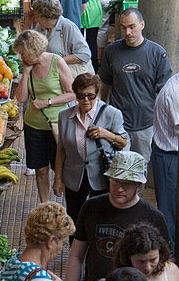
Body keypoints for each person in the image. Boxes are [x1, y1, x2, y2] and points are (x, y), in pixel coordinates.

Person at [65, 150, 170, 281]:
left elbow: (164, 264)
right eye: (115, 181)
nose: (119, 188)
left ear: (138, 185)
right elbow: (76, 255)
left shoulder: (153, 217)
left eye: (126, 184)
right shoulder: (91, 207)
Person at [54, 72, 128, 223]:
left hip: (101, 176)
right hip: (74, 177)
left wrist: (106, 134)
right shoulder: (64, 116)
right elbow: (61, 149)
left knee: (100, 218)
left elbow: (123, 142)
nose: (86, 100)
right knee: (74, 219)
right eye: (81, 96)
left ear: (97, 94)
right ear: (75, 95)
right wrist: (57, 178)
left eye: (91, 96)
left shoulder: (112, 114)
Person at [100, 8, 172, 163]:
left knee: (140, 168)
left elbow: (164, 94)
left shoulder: (157, 53)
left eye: (132, 27)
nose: (127, 32)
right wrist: (102, 112)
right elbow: (105, 83)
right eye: (123, 27)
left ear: (142, 25)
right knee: (117, 168)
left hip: (145, 123)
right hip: (117, 123)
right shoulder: (111, 51)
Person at [13, 30, 75, 203]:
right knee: (41, 169)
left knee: (61, 168)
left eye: (23, 53)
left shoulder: (57, 62)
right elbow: (21, 98)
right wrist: (25, 73)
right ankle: (45, 205)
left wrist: (47, 102)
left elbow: (72, 93)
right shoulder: (27, 67)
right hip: (34, 125)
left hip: (57, 124)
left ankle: (66, 205)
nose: (21, 57)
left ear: (33, 50)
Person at [152, 70, 179, 248]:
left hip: (172, 154)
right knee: (168, 213)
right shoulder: (175, 91)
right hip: (168, 155)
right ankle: (170, 257)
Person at [30, 0, 93, 76]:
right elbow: (27, 45)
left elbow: (84, 54)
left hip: (69, 77)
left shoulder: (67, 26)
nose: (35, 18)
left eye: (37, 16)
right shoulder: (41, 27)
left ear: (45, 16)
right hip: (50, 76)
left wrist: (56, 61)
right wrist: (28, 22)